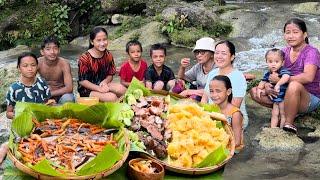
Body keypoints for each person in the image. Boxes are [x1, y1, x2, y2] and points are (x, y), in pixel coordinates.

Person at [250, 18, 320, 134]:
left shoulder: (311, 52)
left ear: (305, 34)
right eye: (288, 32)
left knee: (294, 85)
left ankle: (289, 123)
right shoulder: (283, 52)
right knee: (255, 91)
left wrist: (281, 80)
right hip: (284, 94)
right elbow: (272, 73)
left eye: (295, 32)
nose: (291, 36)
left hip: (309, 97)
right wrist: (267, 85)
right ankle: (283, 112)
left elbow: (308, 77)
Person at [201, 40, 249, 129]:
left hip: (231, 119)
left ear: (232, 57)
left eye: (223, 53)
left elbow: (234, 107)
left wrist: (211, 117)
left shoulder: (238, 77)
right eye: (217, 53)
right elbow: (204, 98)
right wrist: (202, 114)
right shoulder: (213, 73)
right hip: (211, 114)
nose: (219, 56)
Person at [78, 27, 126, 102]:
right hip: (87, 90)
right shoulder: (85, 58)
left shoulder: (108, 55)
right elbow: (82, 81)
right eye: (98, 40)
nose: (102, 43)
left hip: (103, 84)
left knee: (123, 90)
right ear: (92, 42)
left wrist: (105, 82)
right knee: (112, 98)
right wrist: (99, 89)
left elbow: (110, 74)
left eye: (104, 39)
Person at [6, 52, 51, 119]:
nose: (30, 69)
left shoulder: (42, 83)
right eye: (25, 66)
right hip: (24, 123)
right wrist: (21, 116)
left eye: (33, 65)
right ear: (19, 68)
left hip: (41, 121)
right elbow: (8, 113)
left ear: (37, 66)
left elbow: (47, 104)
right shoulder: (14, 89)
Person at [256, 49, 290, 128]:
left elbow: (287, 77)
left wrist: (278, 84)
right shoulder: (268, 73)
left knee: (283, 114)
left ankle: (282, 129)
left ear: (282, 62)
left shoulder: (282, 70)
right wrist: (259, 89)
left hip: (284, 98)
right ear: (266, 62)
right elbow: (263, 82)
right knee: (274, 114)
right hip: (275, 98)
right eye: (270, 62)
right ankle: (273, 129)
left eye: (276, 62)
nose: (273, 64)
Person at [209, 75, 244, 151]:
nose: (214, 95)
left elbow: (237, 142)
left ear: (228, 92)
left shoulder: (235, 114)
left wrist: (216, 147)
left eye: (218, 91)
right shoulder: (210, 109)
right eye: (211, 91)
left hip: (231, 148)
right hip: (216, 143)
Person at [38, 36, 75, 104]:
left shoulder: (64, 63)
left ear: (59, 50)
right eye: (48, 49)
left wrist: (49, 94)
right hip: (45, 95)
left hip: (61, 95)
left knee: (69, 99)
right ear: (42, 52)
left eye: (55, 48)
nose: (52, 52)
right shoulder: (38, 62)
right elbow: (28, 80)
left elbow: (69, 88)